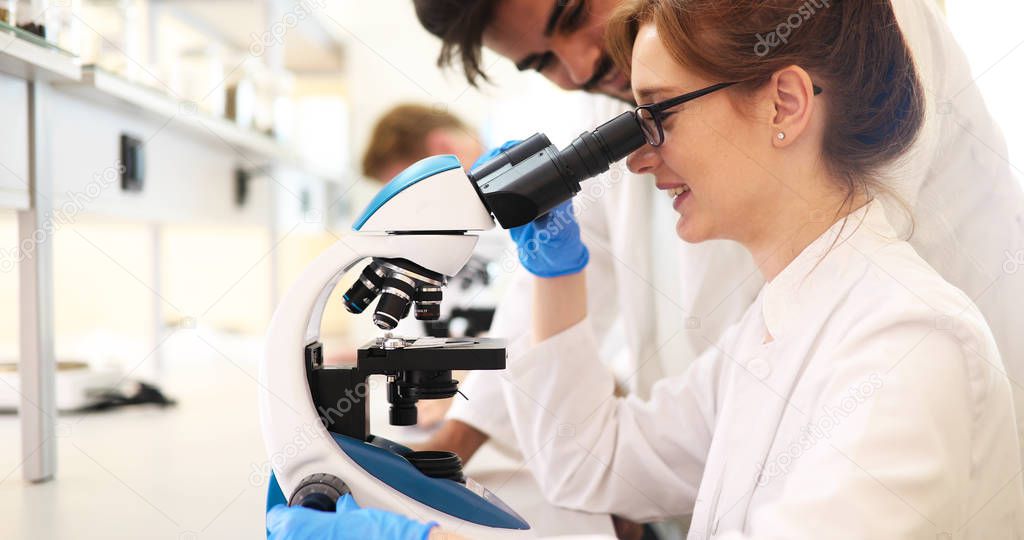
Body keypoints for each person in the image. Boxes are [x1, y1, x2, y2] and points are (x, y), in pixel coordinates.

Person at [267, 1, 1024, 537]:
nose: (635, 154)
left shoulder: (901, 347)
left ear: (785, 103)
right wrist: (557, 274)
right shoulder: (770, 332)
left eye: (658, 115)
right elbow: (590, 463)